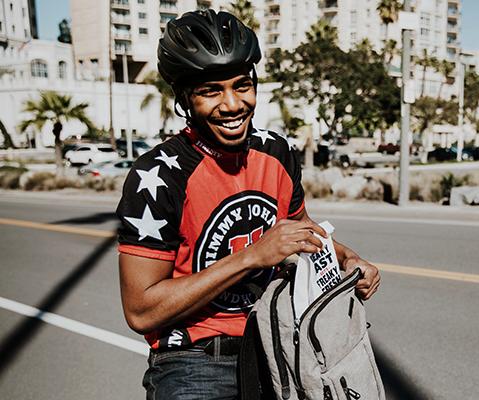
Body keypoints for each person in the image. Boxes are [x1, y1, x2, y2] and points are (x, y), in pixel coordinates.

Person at [115, 9, 380, 399]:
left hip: (278, 346)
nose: (232, 104)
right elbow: (141, 310)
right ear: (185, 98)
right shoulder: (159, 175)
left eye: (242, 86)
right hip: (194, 362)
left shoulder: (276, 151)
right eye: (211, 91)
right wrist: (252, 257)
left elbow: (301, 234)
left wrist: (349, 259)